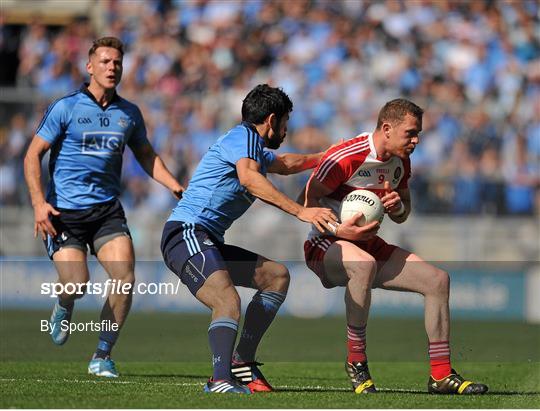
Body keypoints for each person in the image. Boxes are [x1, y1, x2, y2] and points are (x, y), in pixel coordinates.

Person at [302, 99, 488, 395]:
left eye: (419, 135)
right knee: (363, 264)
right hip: (325, 243)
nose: (415, 141)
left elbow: (404, 214)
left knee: (437, 281)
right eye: (411, 133)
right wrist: (340, 229)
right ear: (386, 129)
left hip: (367, 246)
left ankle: (440, 375)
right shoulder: (347, 156)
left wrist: (398, 206)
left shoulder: (401, 161)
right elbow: (307, 203)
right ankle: (356, 361)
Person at [24, 36, 184, 378]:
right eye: (106, 61)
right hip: (63, 213)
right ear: (89, 67)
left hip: (107, 211)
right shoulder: (65, 107)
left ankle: (102, 355)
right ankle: (64, 305)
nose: (112, 67)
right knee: (76, 284)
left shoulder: (129, 113)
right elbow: (31, 155)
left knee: (125, 278)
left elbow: (145, 154)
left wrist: (172, 184)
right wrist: (38, 204)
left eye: (117, 63)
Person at [161, 84, 337, 394]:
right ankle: (219, 380)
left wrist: (324, 157)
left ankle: (242, 362)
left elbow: (284, 164)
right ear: (272, 120)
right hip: (186, 232)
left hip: (208, 238)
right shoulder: (241, 138)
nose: (285, 130)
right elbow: (250, 180)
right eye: (284, 123)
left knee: (276, 277)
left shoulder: (250, 146)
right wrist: (301, 211)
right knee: (227, 301)